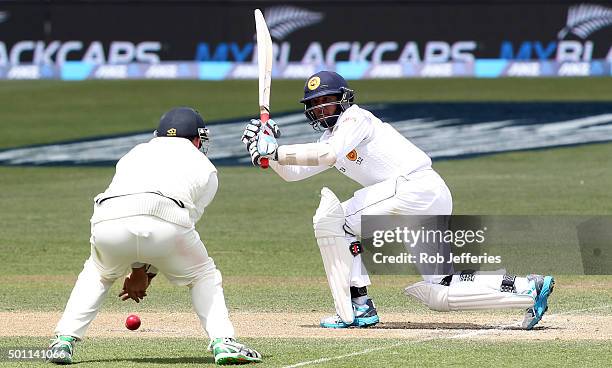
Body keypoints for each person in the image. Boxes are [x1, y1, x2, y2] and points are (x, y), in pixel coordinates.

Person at [241, 71, 555, 329]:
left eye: (326, 101)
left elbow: (327, 155)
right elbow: (294, 173)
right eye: (315, 104)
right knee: (441, 287)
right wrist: (264, 156)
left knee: (333, 220)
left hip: (412, 187)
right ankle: (527, 287)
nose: (321, 108)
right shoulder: (330, 137)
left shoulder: (355, 120)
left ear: (343, 100)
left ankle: (359, 305)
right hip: (425, 195)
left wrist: (276, 150)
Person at [48, 107, 262, 365]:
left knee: (98, 273)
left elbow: (137, 217)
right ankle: (223, 341)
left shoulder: (135, 152)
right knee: (203, 274)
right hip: (167, 220)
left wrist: (139, 271)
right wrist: (144, 273)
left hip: (108, 219)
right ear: (197, 139)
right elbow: (171, 230)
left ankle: (63, 341)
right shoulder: (206, 168)